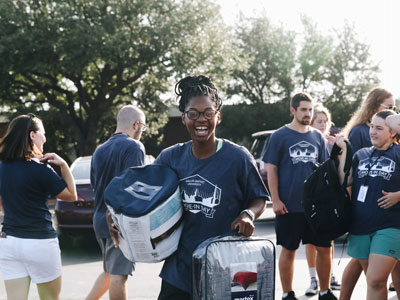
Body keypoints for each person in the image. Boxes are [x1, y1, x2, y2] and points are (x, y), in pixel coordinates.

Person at [150, 75, 269, 299]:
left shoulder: (237, 157)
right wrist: (117, 216)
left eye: (208, 113)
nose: (201, 120)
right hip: (180, 270)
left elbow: (259, 198)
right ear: (184, 118)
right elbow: (144, 192)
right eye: (193, 114)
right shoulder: (170, 158)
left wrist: (247, 214)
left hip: (227, 266)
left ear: (218, 117)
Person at [263, 92, 337, 300]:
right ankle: (287, 293)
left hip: (315, 207)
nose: (308, 113)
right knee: (289, 250)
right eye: (303, 109)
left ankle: (325, 291)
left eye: (310, 109)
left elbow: (324, 170)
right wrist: (275, 200)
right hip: (289, 205)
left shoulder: (317, 137)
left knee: (324, 248)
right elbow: (272, 170)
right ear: (293, 110)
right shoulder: (279, 136)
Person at [0, 114, 77, 300]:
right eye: (43, 133)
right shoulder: (41, 168)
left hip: (9, 242)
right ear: (32, 135)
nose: (45, 138)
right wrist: (64, 165)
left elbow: (1, 205)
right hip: (39, 242)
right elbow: (71, 196)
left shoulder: (1, 167)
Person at [336, 109, 400, 300]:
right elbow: (344, 182)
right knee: (374, 281)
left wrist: (398, 195)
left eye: (379, 128)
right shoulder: (361, 154)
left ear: (393, 132)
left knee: (375, 279)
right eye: (372, 126)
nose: (373, 132)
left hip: (390, 225)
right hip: (360, 226)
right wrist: (345, 152)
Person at [86, 105, 147, 300]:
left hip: (99, 218)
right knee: (119, 276)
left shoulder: (99, 150)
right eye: (143, 127)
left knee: (109, 271)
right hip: (119, 222)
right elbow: (134, 187)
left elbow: (95, 185)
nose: (142, 132)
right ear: (136, 125)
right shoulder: (134, 147)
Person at [305, 103, 340, 296]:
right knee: (311, 241)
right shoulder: (309, 140)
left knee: (329, 240)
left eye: (325, 121)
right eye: (319, 121)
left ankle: (330, 275)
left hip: (329, 197)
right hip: (312, 196)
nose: (322, 124)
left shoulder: (332, 142)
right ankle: (313, 279)